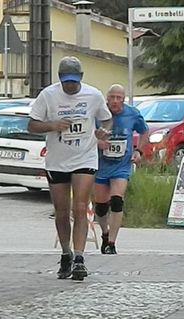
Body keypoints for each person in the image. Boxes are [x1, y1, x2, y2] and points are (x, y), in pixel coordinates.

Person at [28, 56, 112, 281]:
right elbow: (32, 124)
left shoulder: (93, 95)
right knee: (62, 210)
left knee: (81, 206)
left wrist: (103, 131)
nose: (71, 86)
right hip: (57, 160)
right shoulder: (48, 95)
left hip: (85, 157)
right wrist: (52, 125)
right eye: (66, 82)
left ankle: (79, 258)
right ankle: (65, 253)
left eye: (74, 82)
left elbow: (107, 120)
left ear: (81, 78)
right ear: (60, 79)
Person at [95, 84, 149, 254]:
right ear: (107, 98)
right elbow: (87, 133)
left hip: (121, 166)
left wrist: (139, 151)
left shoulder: (132, 113)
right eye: (113, 97)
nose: (116, 101)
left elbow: (144, 132)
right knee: (101, 207)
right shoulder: (99, 113)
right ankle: (104, 233)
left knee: (117, 201)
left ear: (123, 100)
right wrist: (97, 143)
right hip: (100, 165)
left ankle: (112, 242)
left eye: (119, 98)